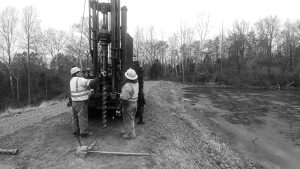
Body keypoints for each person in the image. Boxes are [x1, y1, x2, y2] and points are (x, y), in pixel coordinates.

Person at [69, 66, 98, 137]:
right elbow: (91, 83)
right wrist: (99, 77)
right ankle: (84, 133)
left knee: (75, 117)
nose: (81, 73)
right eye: (80, 72)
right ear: (76, 73)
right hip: (81, 102)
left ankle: (75, 131)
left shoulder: (72, 80)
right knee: (83, 117)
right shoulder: (80, 79)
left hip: (74, 102)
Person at [120, 68, 139, 139]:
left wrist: (120, 106)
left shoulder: (127, 86)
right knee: (131, 118)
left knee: (128, 119)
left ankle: (131, 134)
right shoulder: (136, 83)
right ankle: (127, 130)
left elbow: (124, 99)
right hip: (134, 103)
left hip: (129, 104)